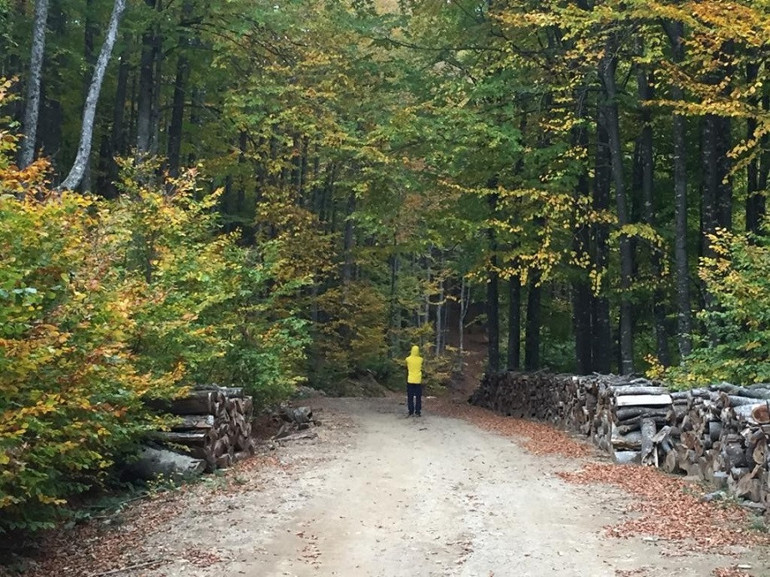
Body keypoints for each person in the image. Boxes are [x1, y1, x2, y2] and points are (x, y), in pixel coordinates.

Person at [405, 345, 423, 417]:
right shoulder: (421, 359)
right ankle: (418, 411)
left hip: (410, 379)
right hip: (418, 380)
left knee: (410, 396)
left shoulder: (408, 359)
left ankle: (410, 411)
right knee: (418, 397)